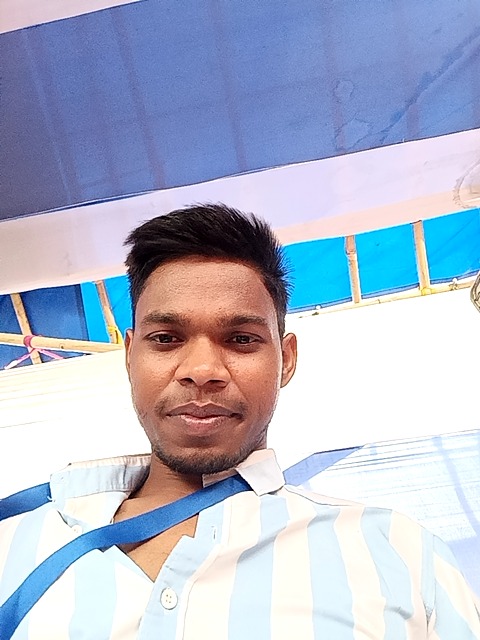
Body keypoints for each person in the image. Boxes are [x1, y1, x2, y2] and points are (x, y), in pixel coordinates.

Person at [1, 203, 479, 639]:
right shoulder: (14, 542)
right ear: (130, 356)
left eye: (242, 339)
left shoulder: (400, 555)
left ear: (286, 360)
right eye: (166, 338)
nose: (201, 370)